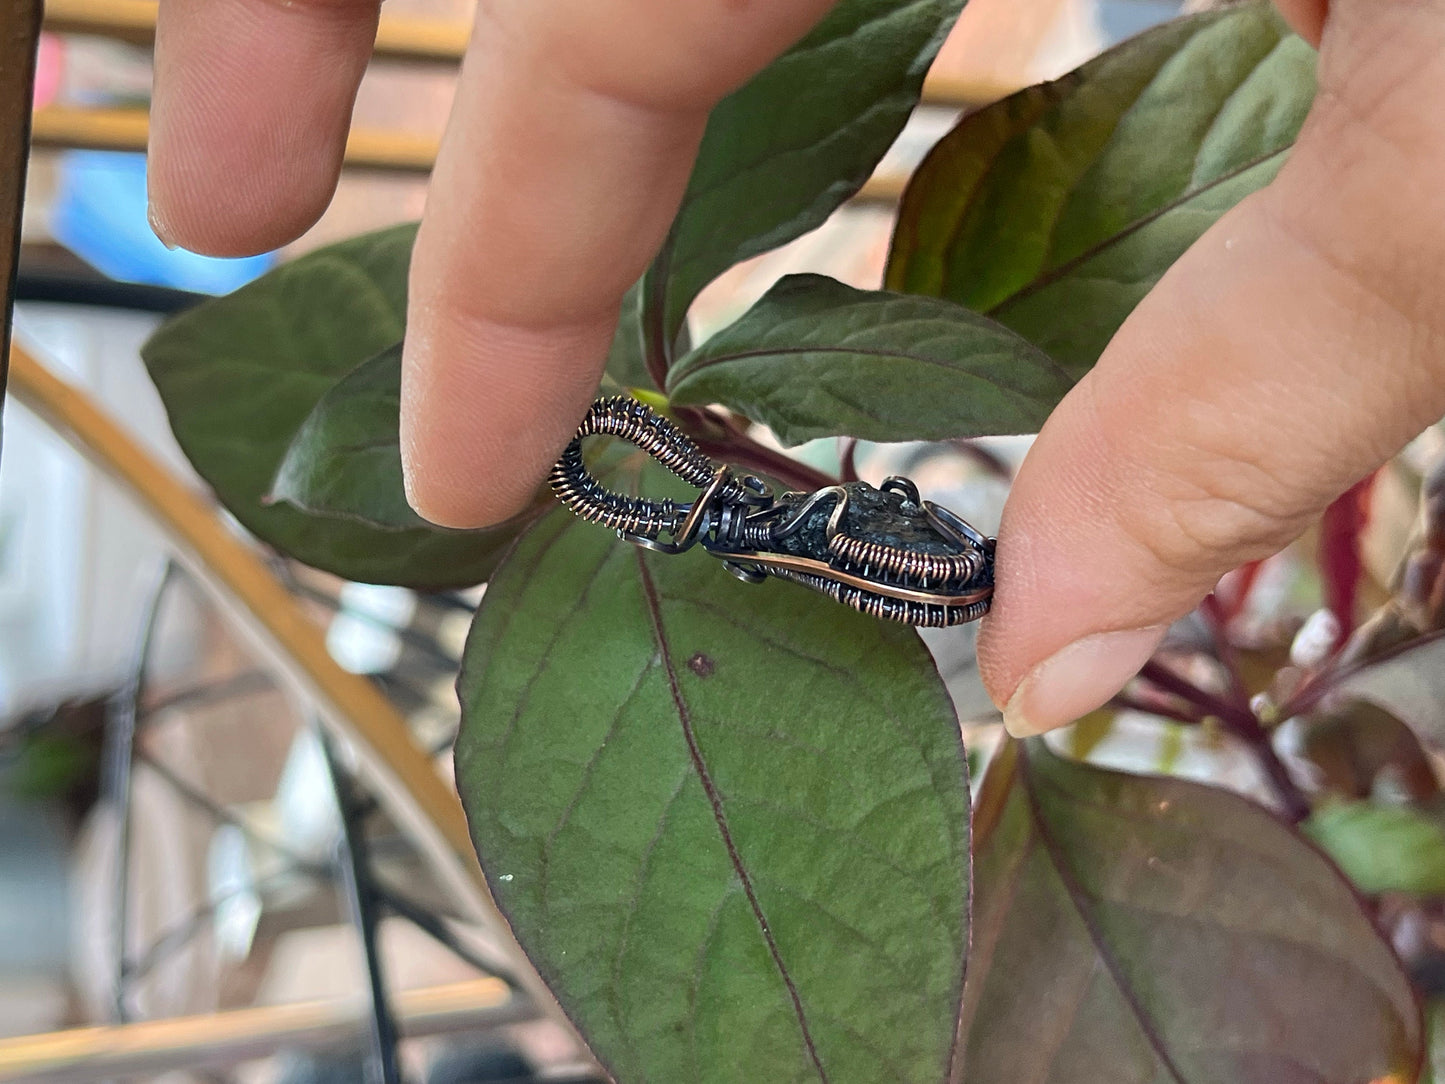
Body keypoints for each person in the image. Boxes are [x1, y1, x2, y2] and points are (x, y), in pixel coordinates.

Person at [144, 0, 1445, 738]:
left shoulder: (802, 524)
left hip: (850, 542)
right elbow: (829, 535)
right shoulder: (794, 525)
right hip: (837, 539)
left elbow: (835, 532)